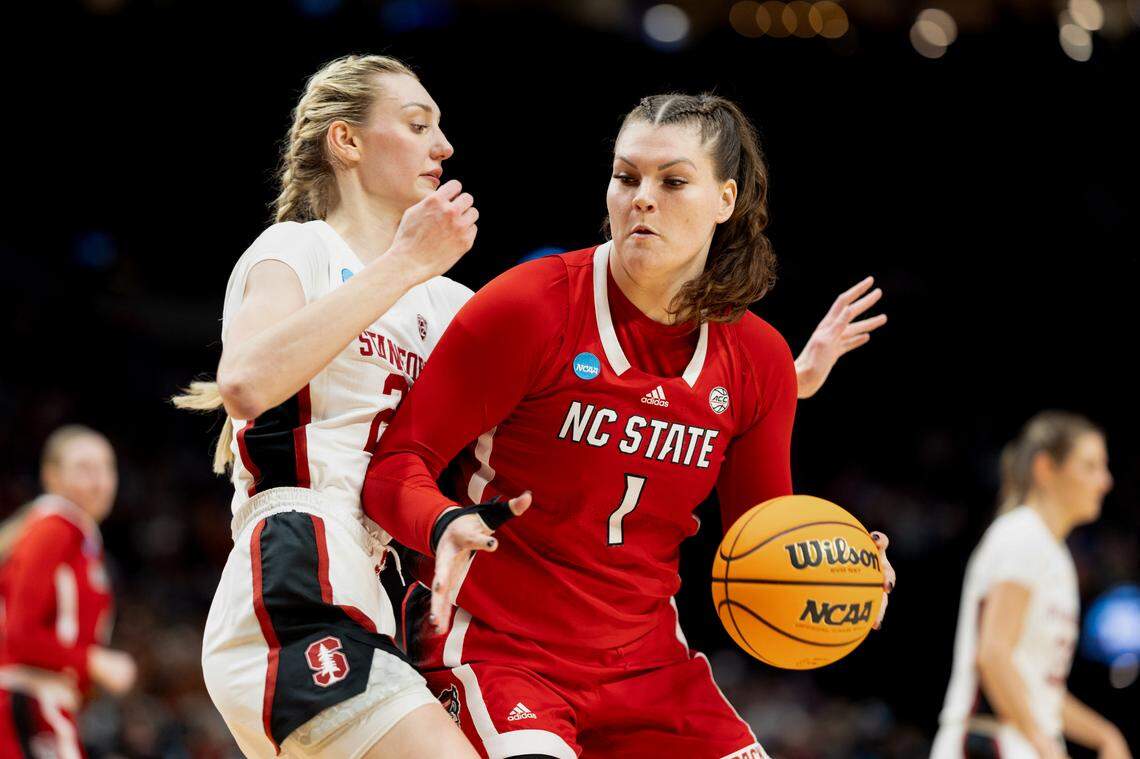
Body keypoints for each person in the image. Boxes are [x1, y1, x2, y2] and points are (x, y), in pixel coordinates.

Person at [363, 93, 895, 759]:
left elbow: (765, 536)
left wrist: (839, 567)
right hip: (500, 648)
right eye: (626, 177)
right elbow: (395, 466)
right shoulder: (531, 305)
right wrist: (442, 522)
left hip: (650, 667)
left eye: (672, 181)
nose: (643, 198)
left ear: (725, 200)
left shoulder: (756, 358)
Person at [174, 54, 483, 758]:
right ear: (346, 142)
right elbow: (247, 381)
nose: (444, 146)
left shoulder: (450, 305)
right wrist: (406, 262)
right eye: (417, 124)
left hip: (385, 591)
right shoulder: (297, 249)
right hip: (296, 572)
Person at [931, 412, 1132, 759]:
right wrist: (1045, 745)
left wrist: (1105, 736)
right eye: (1091, 466)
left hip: (1017, 740)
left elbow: (1040, 691)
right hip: (989, 742)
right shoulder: (1023, 536)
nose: (1105, 481)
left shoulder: (1053, 554)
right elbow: (993, 654)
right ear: (1045, 469)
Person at [0, 425, 136, 759]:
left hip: (43, 705)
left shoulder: (76, 535)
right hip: (26, 702)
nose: (99, 481)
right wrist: (93, 661)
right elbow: (19, 635)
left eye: (107, 468)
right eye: (84, 468)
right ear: (51, 476)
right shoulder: (54, 529)